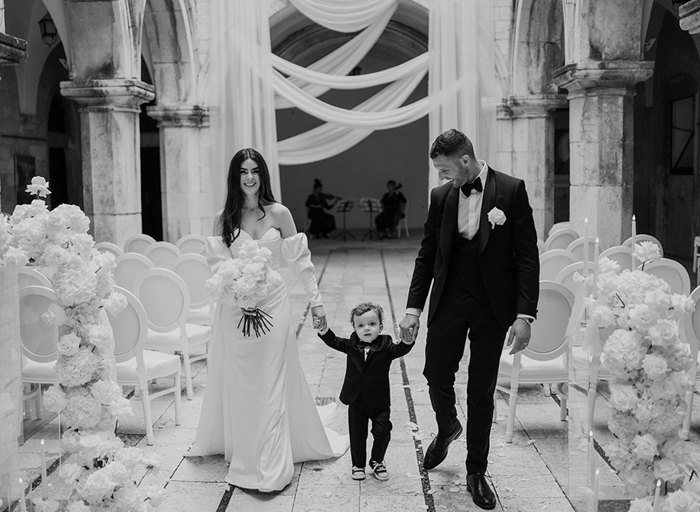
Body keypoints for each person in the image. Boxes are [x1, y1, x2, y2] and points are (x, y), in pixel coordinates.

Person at [188, 148, 348, 492]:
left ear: (263, 175)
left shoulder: (280, 213)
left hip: (275, 306)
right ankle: (247, 450)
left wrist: (317, 304)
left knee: (272, 379)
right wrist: (237, 296)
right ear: (235, 177)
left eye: (255, 171)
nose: (249, 177)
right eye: (243, 171)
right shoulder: (224, 217)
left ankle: (272, 466)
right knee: (246, 383)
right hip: (234, 311)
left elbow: (301, 263)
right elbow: (217, 268)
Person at [398, 129, 539, 510]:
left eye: (446, 170)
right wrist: (414, 308)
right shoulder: (441, 196)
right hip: (450, 300)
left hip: (493, 308)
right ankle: (447, 427)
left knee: (481, 390)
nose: (443, 179)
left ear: (465, 160)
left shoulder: (511, 190)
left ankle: (477, 470)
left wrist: (524, 315)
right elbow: (427, 255)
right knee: (434, 373)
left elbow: (527, 256)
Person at [316, 302, 414, 482]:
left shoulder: (386, 346)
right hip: (356, 400)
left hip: (379, 402)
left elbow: (401, 349)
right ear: (354, 328)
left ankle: (377, 461)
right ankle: (358, 464)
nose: (366, 328)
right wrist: (324, 330)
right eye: (360, 325)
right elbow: (334, 341)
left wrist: (408, 340)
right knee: (357, 434)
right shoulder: (352, 345)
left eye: (372, 324)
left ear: (380, 327)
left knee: (383, 431)